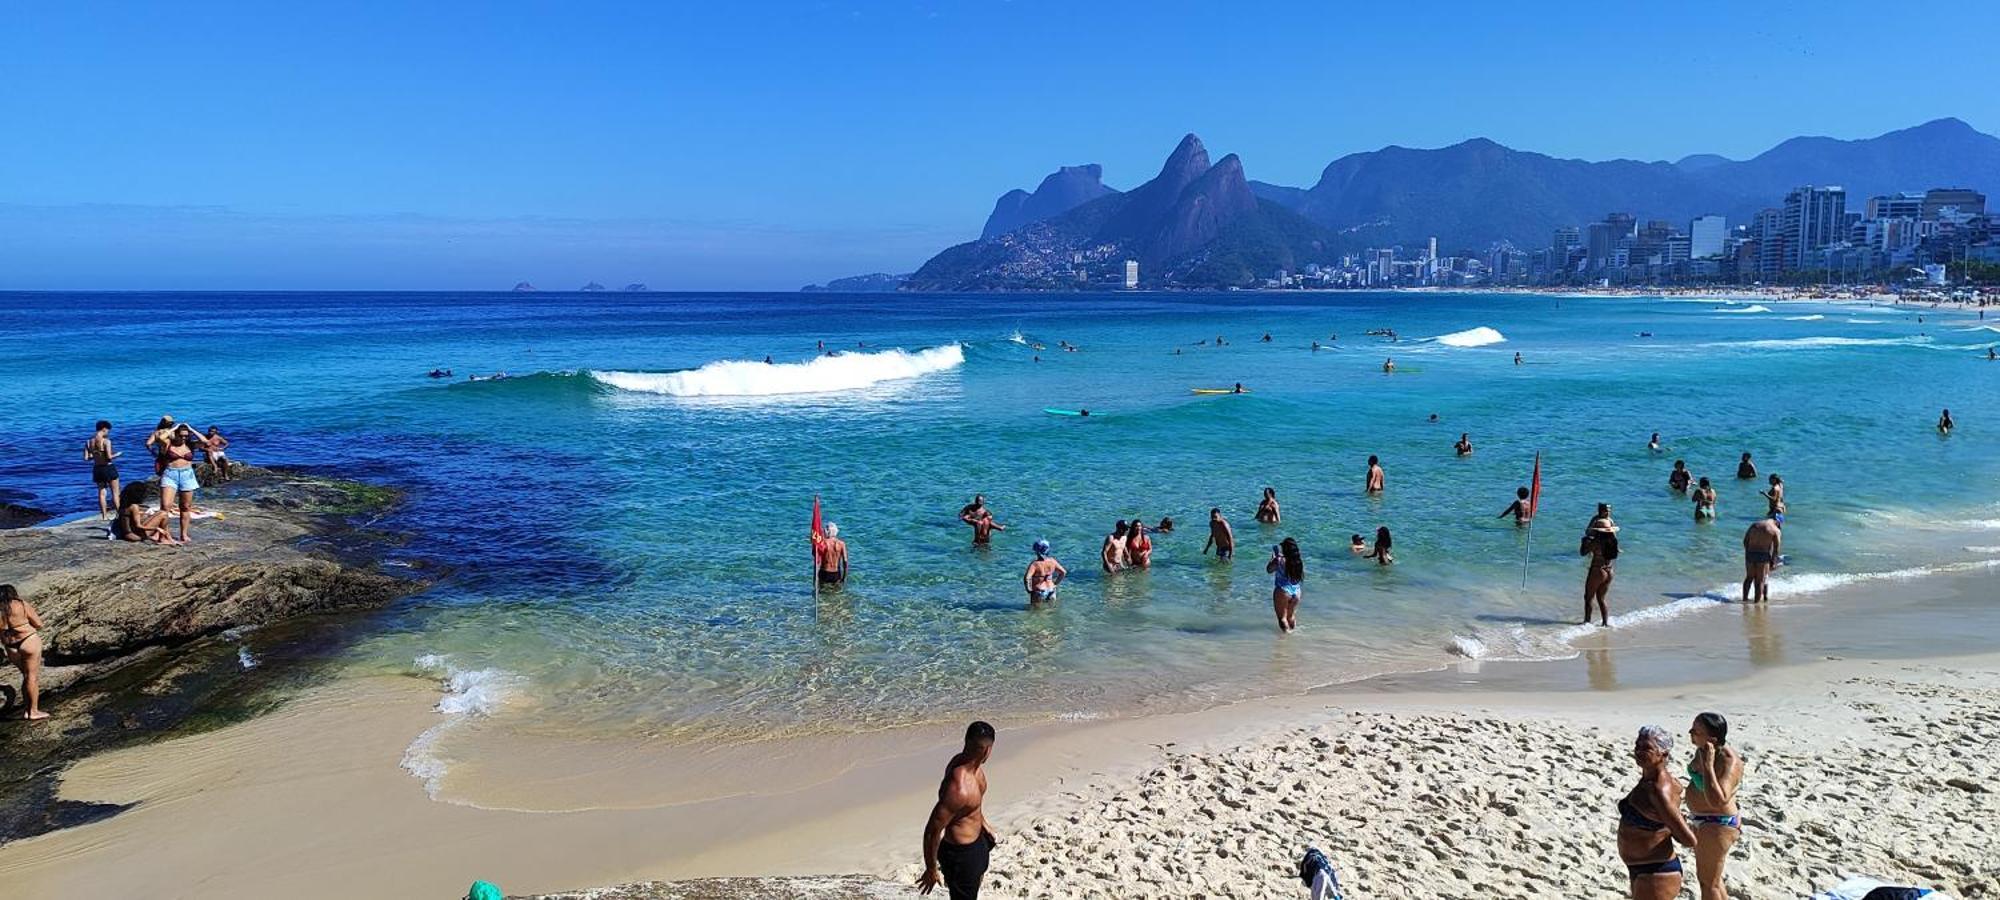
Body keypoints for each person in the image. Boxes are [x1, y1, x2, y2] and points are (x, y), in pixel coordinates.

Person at [918, 721, 999, 900]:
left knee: (976, 880)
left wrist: (984, 824)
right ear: (987, 750)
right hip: (961, 855)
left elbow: (973, 807)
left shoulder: (967, 765)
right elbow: (932, 831)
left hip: (977, 842)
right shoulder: (959, 789)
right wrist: (931, 869)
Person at [1620, 725, 1699, 899]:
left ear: (1663, 754)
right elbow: (1677, 792)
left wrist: (1674, 824)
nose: (1639, 751)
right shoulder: (1649, 779)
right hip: (1642, 868)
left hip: (1656, 871)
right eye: (1637, 746)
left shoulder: (1659, 791)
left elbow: (1688, 839)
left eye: (1646, 748)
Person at [1685, 713, 1744, 900]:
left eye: (1696, 731)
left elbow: (1719, 800)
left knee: (1707, 884)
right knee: (1714, 881)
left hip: (1718, 823)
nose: (1690, 733)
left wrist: (1709, 766)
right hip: (1703, 820)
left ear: (1712, 738)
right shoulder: (1703, 750)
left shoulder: (1729, 762)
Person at [159, 424, 202, 543]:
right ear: (176, 434)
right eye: (181, 435)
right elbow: (160, 438)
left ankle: (183, 534)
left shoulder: (190, 445)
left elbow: (206, 442)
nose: (183, 438)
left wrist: (192, 429)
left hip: (187, 475)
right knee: (165, 507)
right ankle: (164, 535)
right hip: (170, 475)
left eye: (186, 436)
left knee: (185, 507)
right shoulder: (168, 444)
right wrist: (173, 428)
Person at [1580, 506, 1619, 627]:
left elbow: (1583, 553)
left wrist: (1584, 542)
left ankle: (1587, 623)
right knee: (1601, 599)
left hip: (1597, 570)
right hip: (1609, 570)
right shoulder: (1613, 541)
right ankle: (1605, 623)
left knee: (1588, 598)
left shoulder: (1596, 542)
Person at [83, 419, 122, 519]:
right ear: (104, 429)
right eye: (108, 430)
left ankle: (104, 516)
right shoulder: (106, 441)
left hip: (97, 469)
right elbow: (109, 457)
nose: (108, 432)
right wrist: (117, 454)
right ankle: (120, 514)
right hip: (108, 467)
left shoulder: (88, 442)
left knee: (102, 493)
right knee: (115, 493)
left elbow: (86, 458)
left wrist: (96, 456)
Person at [1267, 537, 1304, 632]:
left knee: (1282, 618)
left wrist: (1272, 559)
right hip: (1296, 591)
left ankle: (1286, 639)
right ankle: (1293, 633)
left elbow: (1269, 570)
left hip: (1283, 590)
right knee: (1290, 616)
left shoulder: (1279, 560)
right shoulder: (1298, 561)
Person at [1741, 517, 1781, 604]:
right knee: (1760, 581)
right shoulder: (1775, 530)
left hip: (1750, 553)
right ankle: (1756, 603)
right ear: (1778, 523)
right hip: (1763, 556)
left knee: (1749, 578)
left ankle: (1744, 600)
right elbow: (1776, 549)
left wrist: (1748, 553)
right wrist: (1773, 562)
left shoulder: (1755, 525)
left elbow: (1745, 541)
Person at [1022, 540, 1066, 605]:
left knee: (1036, 612)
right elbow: (1063, 572)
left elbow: (1027, 578)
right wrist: (1055, 583)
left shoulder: (1035, 564)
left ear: (1036, 551)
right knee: (1050, 611)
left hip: (1039, 591)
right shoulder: (1052, 561)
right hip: (1051, 589)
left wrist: (1028, 589)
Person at [815, 523, 849, 587]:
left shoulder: (823, 543)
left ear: (827, 531)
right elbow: (845, 561)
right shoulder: (841, 544)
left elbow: (817, 558)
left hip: (824, 572)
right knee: (836, 593)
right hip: (836, 573)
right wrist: (844, 577)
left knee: (822, 592)